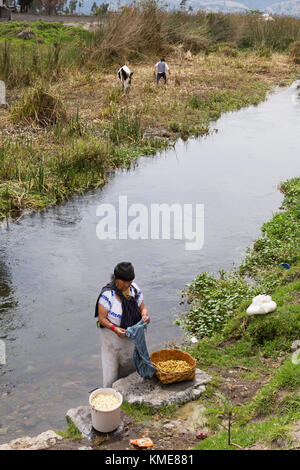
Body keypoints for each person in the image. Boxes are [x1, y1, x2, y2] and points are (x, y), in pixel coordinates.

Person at [95, 262, 150, 387]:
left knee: (132, 369)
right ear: (116, 279)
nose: (126, 285)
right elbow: (102, 319)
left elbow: (143, 308)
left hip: (131, 338)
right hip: (112, 340)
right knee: (111, 373)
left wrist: (145, 316)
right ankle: (110, 396)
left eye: (129, 282)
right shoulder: (107, 295)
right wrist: (115, 329)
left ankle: (128, 397)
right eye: (123, 282)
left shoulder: (134, 289)